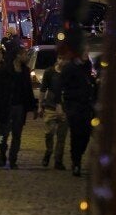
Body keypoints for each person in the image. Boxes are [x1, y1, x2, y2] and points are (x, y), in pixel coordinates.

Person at [0, 46, 37, 169]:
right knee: (4, 134)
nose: (26, 57)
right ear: (18, 55)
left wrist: (33, 107)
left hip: (20, 108)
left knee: (17, 135)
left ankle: (13, 160)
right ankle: (1, 156)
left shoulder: (25, 71)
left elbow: (28, 90)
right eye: (24, 54)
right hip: (6, 107)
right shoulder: (5, 70)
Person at [59, 46, 94, 176]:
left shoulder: (87, 66)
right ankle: (76, 162)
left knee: (85, 135)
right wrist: (63, 103)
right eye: (84, 51)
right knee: (76, 134)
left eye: (87, 52)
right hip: (74, 106)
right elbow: (62, 86)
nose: (86, 54)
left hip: (86, 106)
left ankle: (78, 154)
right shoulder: (70, 68)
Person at [38, 53, 69, 170]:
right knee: (49, 133)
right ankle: (48, 151)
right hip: (50, 107)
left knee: (61, 137)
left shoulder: (68, 74)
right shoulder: (49, 72)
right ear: (57, 59)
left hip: (65, 109)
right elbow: (43, 89)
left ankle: (58, 160)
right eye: (60, 58)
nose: (62, 61)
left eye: (64, 59)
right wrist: (40, 105)